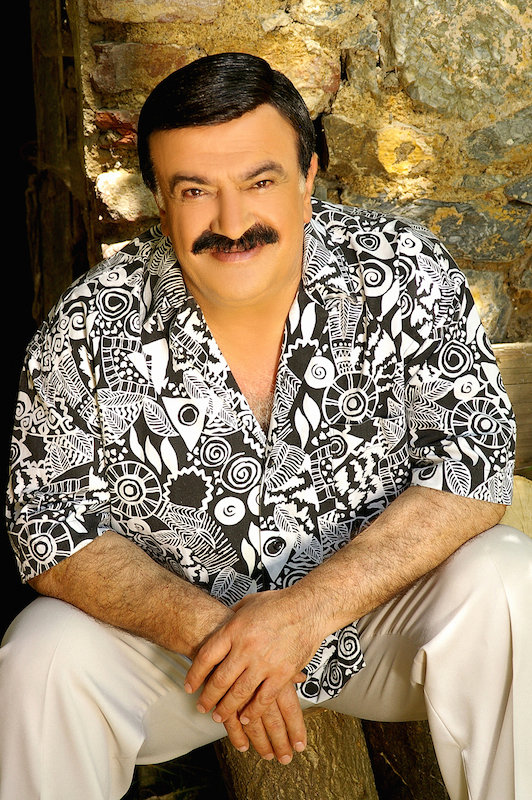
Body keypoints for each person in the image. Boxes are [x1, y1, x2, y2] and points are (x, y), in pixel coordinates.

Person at [1, 51, 530, 800]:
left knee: (507, 578)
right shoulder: (89, 324)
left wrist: (301, 616)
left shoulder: (401, 270)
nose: (231, 222)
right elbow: (50, 529)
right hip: (186, 661)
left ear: (308, 177)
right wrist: (226, 639)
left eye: (260, 182)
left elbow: (473, 467)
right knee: (42, 654)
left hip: (376, 629)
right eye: (195, 190)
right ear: (160, 201)